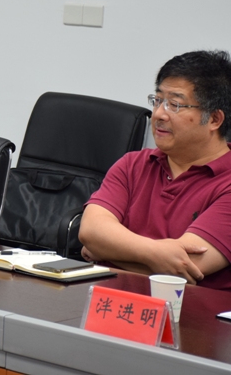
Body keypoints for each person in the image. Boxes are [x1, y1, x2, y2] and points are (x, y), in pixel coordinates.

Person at [80, 50, 231, 290]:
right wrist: (155, 253)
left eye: (175, 105)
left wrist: (105, 251)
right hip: (112, 304)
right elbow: (90, 231)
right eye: (158, 100)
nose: (159, 114)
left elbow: (187, 266)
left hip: (190, 311)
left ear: (214, 119)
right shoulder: (132, 164)